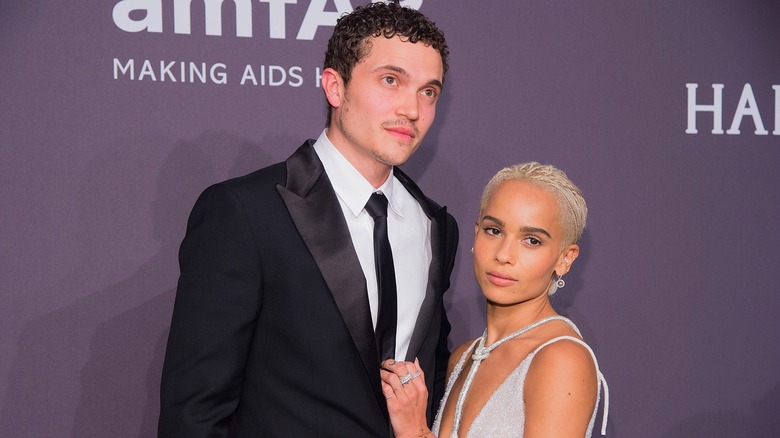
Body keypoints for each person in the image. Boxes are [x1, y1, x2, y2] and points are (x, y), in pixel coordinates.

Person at [157, 2, 458, 437]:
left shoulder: (435, 226)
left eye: (429, 91)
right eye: (391, 80)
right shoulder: (246, 213)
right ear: (335, 87)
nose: (412, 109)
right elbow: (195, 413)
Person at [380, 162, 609, 437]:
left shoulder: (560, 359)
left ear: (565, 258)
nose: (503, 254)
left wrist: (415, 431)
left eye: (532, 240)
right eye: (494, 230)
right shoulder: (463, 358)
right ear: (476, 233)